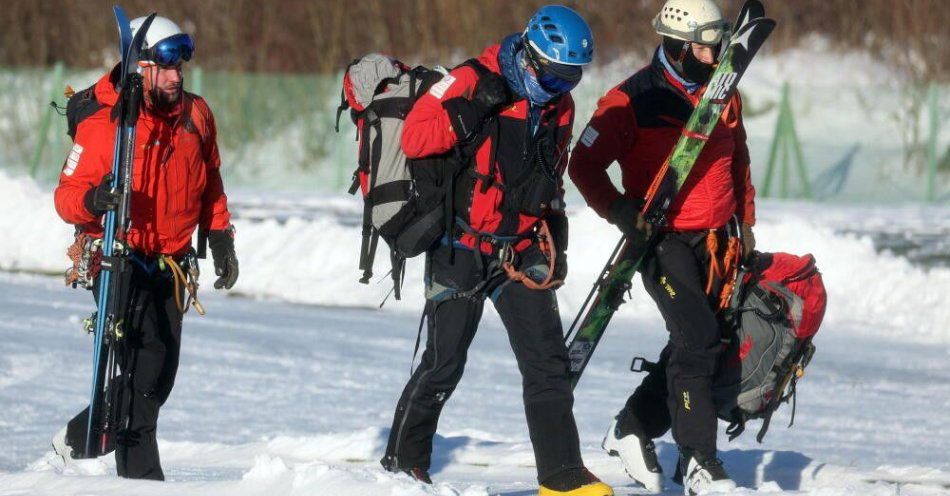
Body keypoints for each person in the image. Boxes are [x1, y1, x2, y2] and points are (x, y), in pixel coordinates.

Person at [379, 6, 611, 496]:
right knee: (444, 363)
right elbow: (415, 137)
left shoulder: (559, 106)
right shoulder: (470, 78)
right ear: (530, 56)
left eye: (570, 79)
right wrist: (472, 108)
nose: (560, 88)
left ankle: (562, 475)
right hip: (458, 245)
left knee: (548, 363)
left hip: (519, 250)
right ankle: (404, 467)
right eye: (554, 76)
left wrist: (557, 231)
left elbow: (551, 176)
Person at [567, 0, 756, 494]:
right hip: (662, 239)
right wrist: (616, 209)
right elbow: (582, 166)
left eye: (719, 46)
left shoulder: (725, 90)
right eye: (705, 46)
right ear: (676, 45)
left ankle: (632, 425)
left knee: (697, 340)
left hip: (718, 241)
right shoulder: (632, 100)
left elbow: (738, 159)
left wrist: (747, 224)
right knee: (697, 337)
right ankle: (699, 461)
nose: (716, 56)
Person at [50, 14, 238, 480]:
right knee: (144, 366)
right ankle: (141, 481)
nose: (177, 77)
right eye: (165, 67)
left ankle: (79, 435)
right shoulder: (104, 123)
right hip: (119, 256)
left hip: (173, 262)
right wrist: (95, 199)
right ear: (141, 68)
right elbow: (65, 196)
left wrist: (219, 236)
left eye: (181, 68)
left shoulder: (196, 114)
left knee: (158, 376)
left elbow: (209, 179)